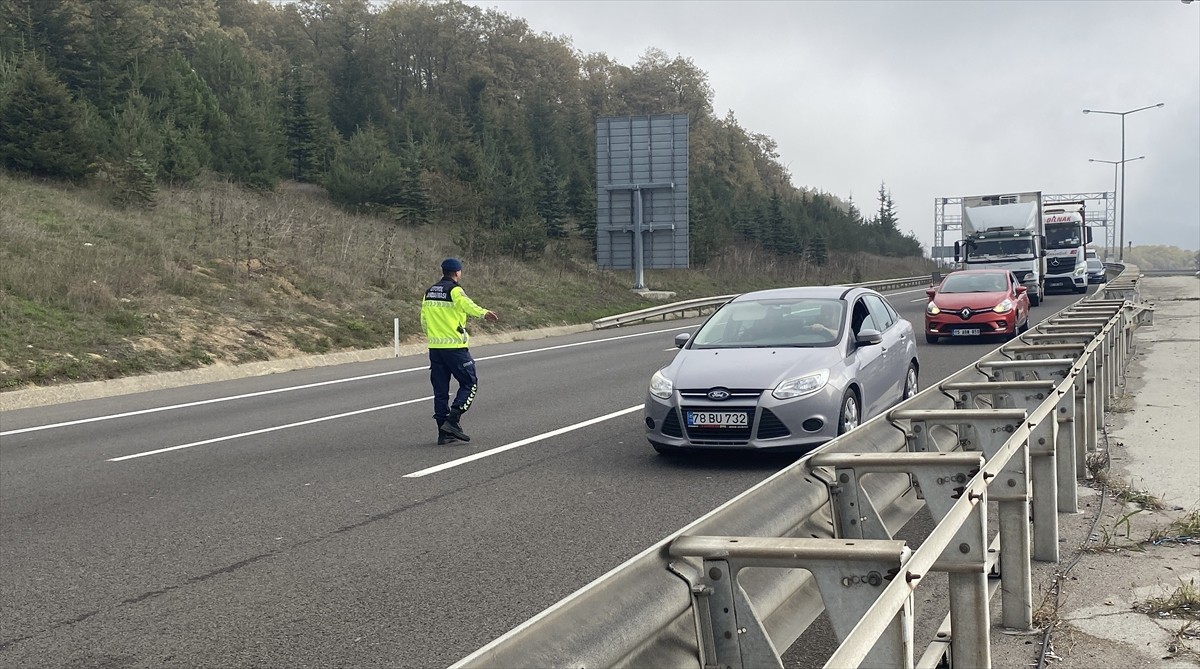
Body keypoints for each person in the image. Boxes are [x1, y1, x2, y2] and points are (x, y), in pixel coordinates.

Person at [420, 258, 498, 445]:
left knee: (440, 391)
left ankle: (443, 433)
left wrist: (432, 336)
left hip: (435, 348)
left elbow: (423, 319)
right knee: (470, 383)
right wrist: (483, 313)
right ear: (457, 273)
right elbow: (466, 305)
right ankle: (453, 420)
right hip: (454, 348)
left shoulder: (429, 291)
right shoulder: (454, 290)